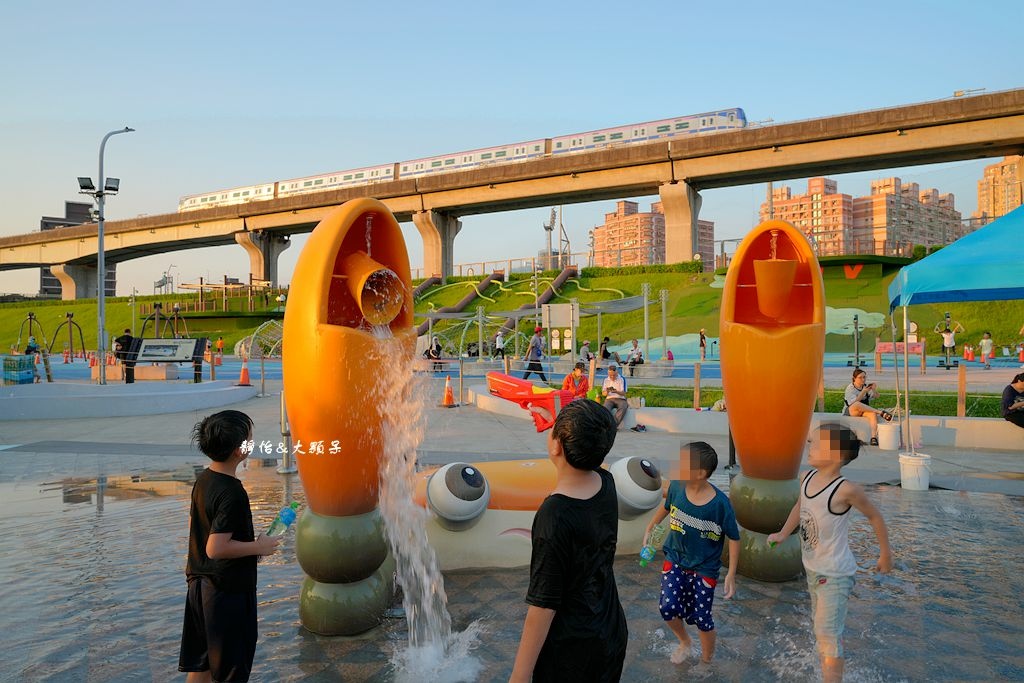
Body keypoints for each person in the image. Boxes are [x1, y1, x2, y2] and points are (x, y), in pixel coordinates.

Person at [510, 400, 627, 682]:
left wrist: (520, 673)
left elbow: (543, 605)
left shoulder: (555, 515)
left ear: (557, 446)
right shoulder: (605, 482)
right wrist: (563, 430)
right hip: (609, 630)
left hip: (570, 652)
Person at [767, 422, 893, 683]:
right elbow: (799, 507)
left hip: (835, 574)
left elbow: (875, 517)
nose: (809, 446)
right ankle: (829, 666)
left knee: (827, 633)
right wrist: (783, 533)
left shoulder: (846, 490)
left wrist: (885, 554)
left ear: (835, 454)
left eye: (816, 443)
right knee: (822, 628)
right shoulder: (807, 478)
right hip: (814, 568)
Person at [178, 410, 281, 682]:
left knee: (201, 667)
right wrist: (259, 547)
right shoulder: (232, 492)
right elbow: (217, 547)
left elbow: (198, 530)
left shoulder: (204, 480)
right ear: (239, 451)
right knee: (231, 670)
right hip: (226, 592)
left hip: (199, 585)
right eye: (249, 438)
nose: (252, 442)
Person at [643, 441, 739, 666]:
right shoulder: (677, 487)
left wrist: (731, 573)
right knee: (667, 607)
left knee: (702, 618)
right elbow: (666, 508)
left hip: (704, 568)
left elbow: (734, 538)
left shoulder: (720, 505)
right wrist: (650, 527)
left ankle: (707, 662)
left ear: (700, 473)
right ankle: (685, 641)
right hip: (675, 558)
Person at [842, 367, 891, 446]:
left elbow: (877, 396)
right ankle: (880, 412)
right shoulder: (850, 388)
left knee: (872, 414)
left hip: (862, 411)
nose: (863, 379)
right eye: (860, 377)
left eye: (864, 377)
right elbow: (854, 402)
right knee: (857, 404)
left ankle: (873, 438)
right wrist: (863, 392)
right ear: (854, 378)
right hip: (851, 411)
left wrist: (874, 389)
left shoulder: (865, 387)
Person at [601, 364, 628, 429]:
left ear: (617, 372)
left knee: (623, 407)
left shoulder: (622, 379)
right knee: (605, 409)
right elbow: (603, 394)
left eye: (614, 375)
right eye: (610, 375)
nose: (612, 377)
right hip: (609, 399)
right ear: (608, 373)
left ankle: (613, 426)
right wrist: (607, 391)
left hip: (620, 399)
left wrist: (616, 391)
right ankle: (605, 425)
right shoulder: (606, 380)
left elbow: (624, 393)